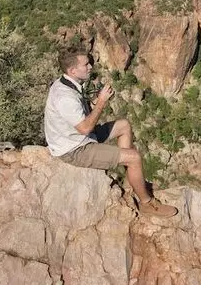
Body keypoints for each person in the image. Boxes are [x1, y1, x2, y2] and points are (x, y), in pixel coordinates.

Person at [44, 48, 177, 218]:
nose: (90, 66)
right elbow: (85, 128)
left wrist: (94, 103)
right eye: (86, 64)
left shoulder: (67, 83)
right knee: (134, 157)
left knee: (124, 125)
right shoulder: (65, 97)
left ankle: (131, 183)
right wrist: (100, 102)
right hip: (75, 149)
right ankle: (147, 204)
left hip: (77, 137)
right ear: (73, 70)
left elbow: (78, 116)